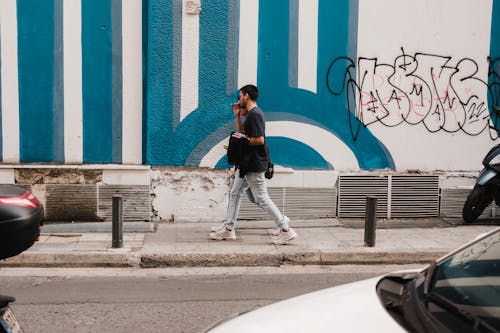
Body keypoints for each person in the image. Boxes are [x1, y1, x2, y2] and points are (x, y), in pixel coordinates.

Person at [210, 84, 297, 245]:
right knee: (235, 193)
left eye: (241, 95)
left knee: (261, 198)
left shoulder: (255, 115)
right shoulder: (250, 114)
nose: (239, 98)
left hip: (254, 164)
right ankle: (228, 229)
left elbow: (259, 140)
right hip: (248, 163)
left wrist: (239, 144)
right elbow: (244, 135)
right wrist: (237, 117)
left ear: (247, 96)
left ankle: (285, 227)